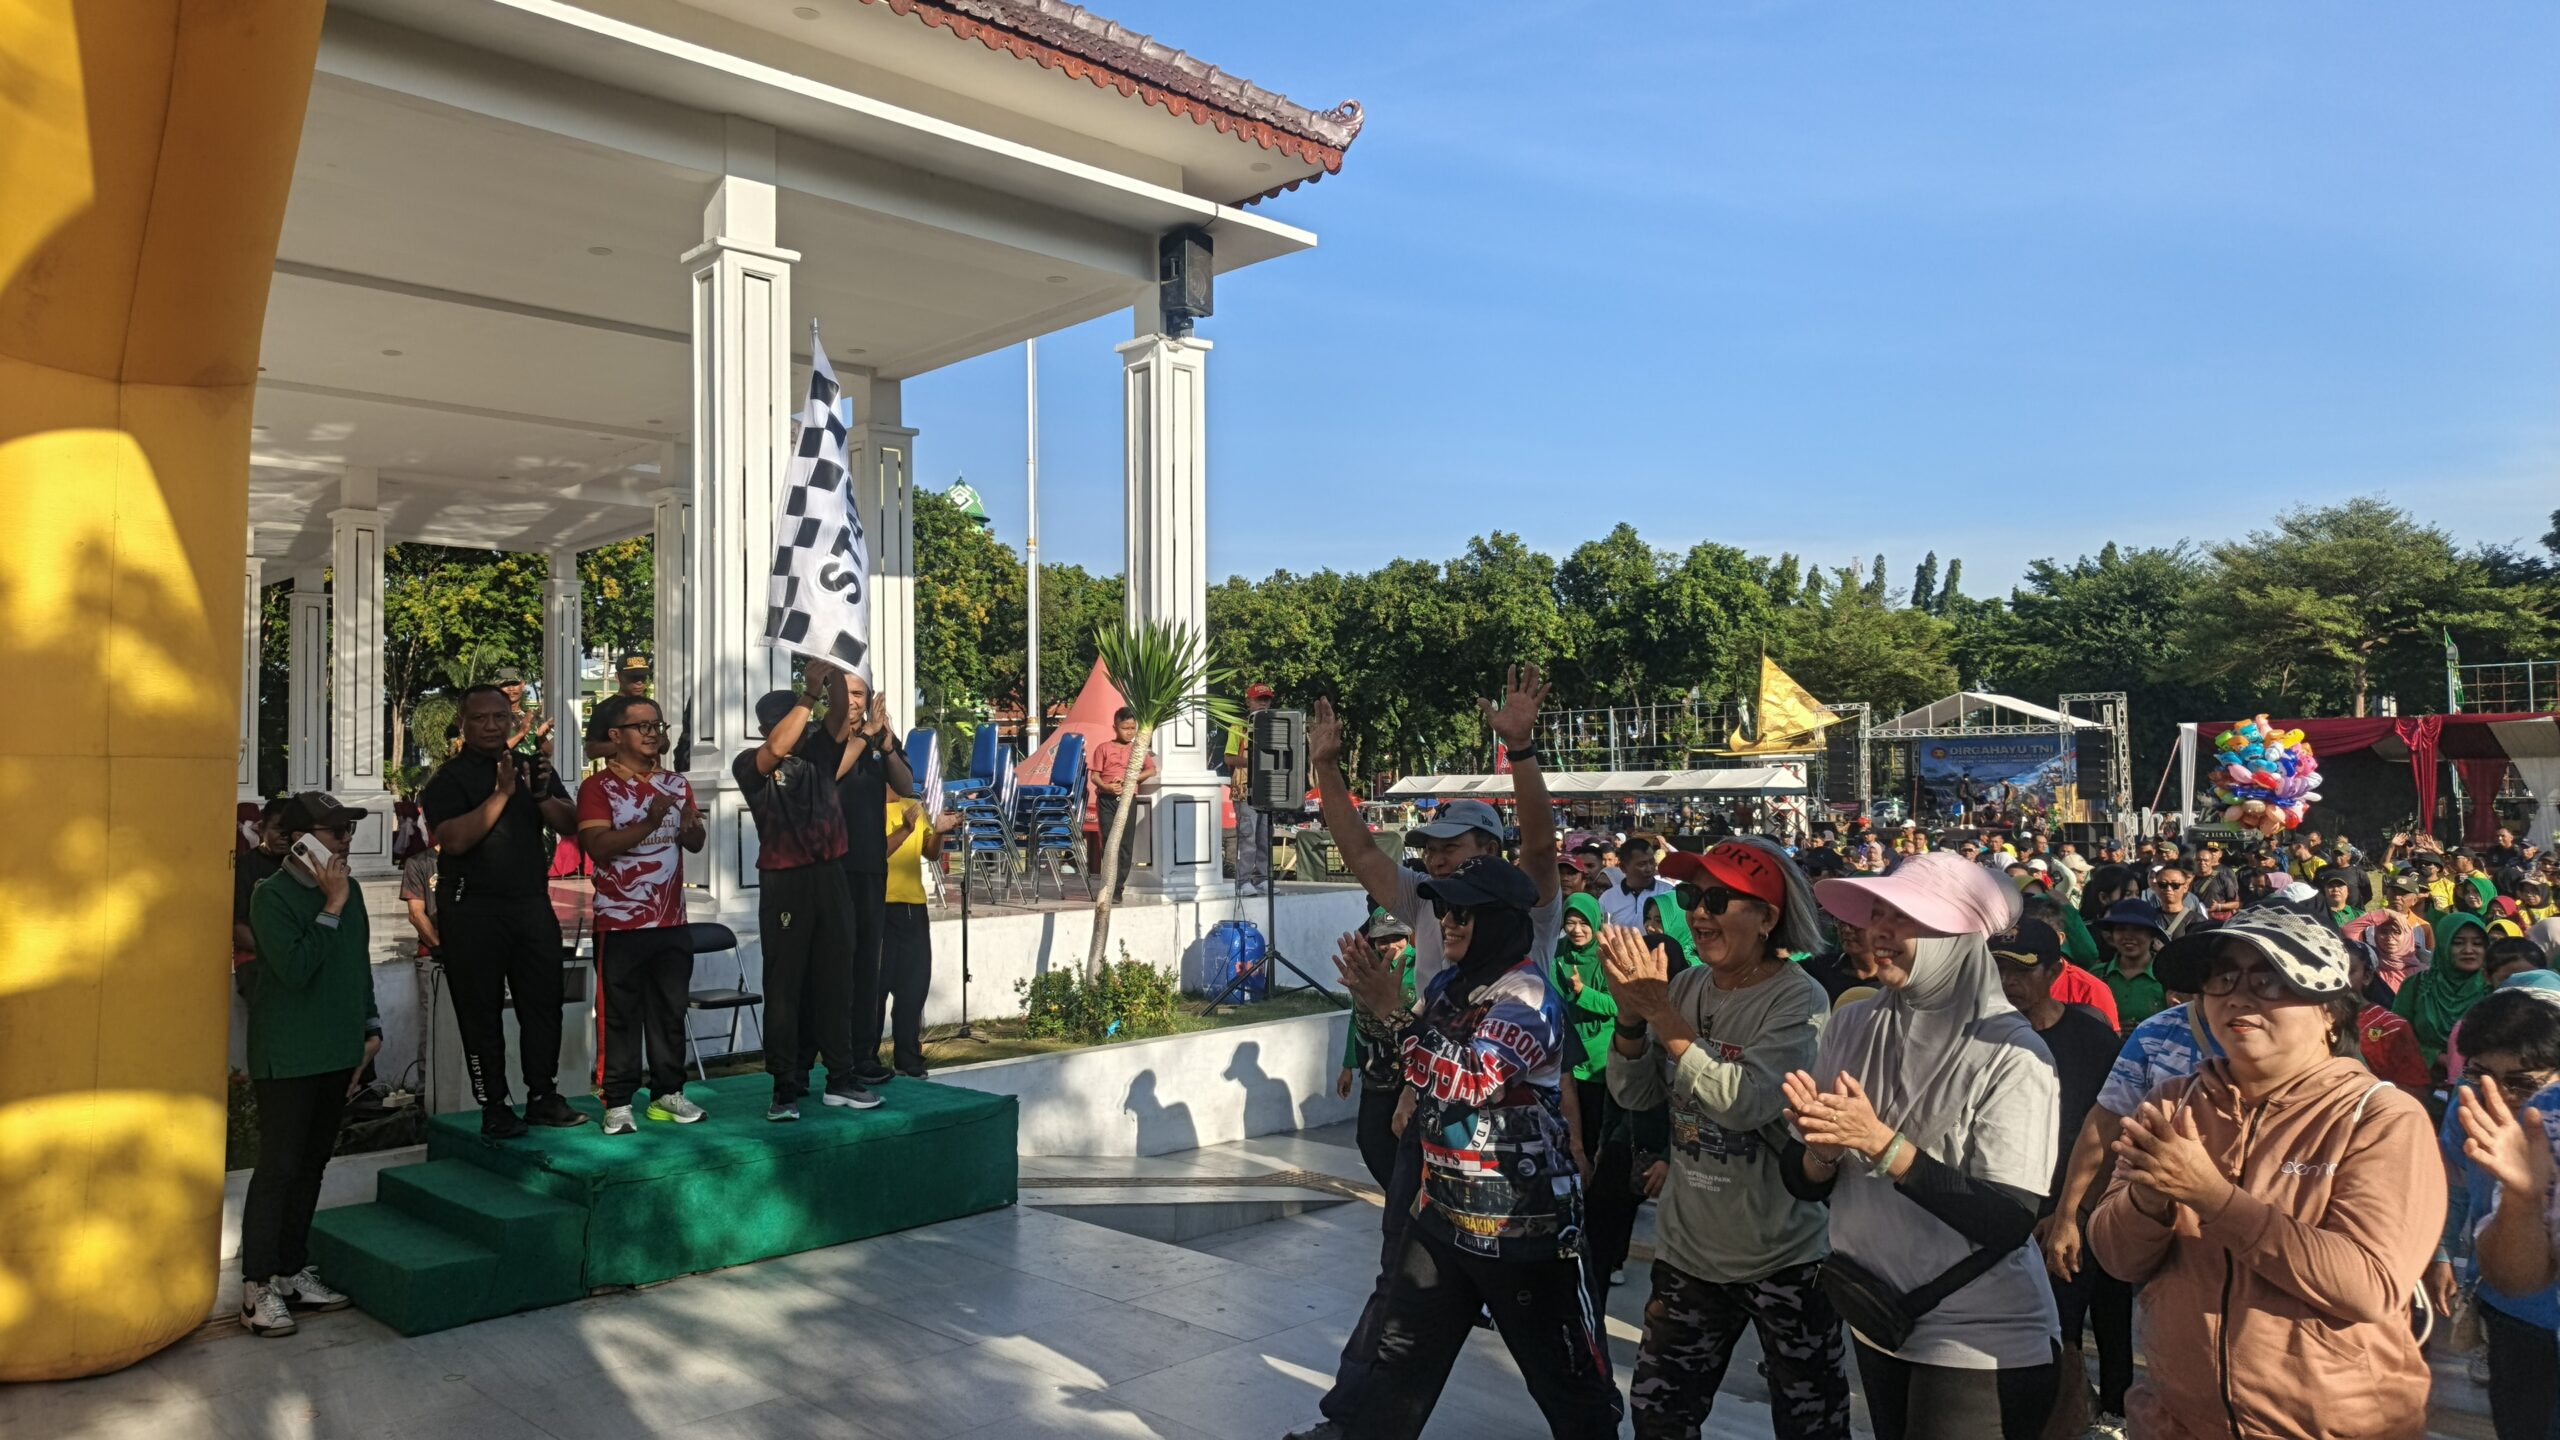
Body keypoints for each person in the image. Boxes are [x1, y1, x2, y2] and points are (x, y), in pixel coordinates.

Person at [1288, 667, 1565, 1440]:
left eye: (1453, 847)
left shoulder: (1526, 911)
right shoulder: (1425, 904)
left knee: (1545, 1335)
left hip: (1511, 1158)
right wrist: (1326, 768)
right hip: (1434, 1128)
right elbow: (1357, 849)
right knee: (1400, 1289)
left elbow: (1542, 845)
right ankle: (1352, 1423)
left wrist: (1521, 752)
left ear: (1492, 851)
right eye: (1430, 850)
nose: (1435, 861)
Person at [2088, 910, 2442, 1439]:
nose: (2237, 996)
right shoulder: (2172, 1103)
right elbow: (2118, 1259)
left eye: (2269, 979)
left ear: (2330, 1012)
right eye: (2222, 977)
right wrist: (2148, 1200)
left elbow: (2369, 1285)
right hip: (2177, 1421)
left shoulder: (2377, 1117)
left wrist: (2212, 1198)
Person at [1329, 855, 1622, 1439]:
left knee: (1571, 1391)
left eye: (1465, 912)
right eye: (1444, 909)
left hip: (1526, 1233)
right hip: (1443, 1217)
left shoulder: (1528, 998)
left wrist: (1392, 1014)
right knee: (1396, 1372)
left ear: (1503, 922)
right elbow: (1407, 1059)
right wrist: (1371, 1004)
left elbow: (1472, 1078)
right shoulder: (1447, 985)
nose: (1448, 922)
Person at [1780, 852, 2061, 1440]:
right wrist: (1822, 1149)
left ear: (1959, 938)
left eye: (1904, 916)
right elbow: (1803, 1182)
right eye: (1877, 914)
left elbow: (2009, 1219)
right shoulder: (1852, 1023)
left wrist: (1883, 1145)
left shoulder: (2013, 1053)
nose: (1878, 931)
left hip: (1979, 1335)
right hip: (1878, 1314)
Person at [1601, 838, 1849, 1440]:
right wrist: (1631, 1016)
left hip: (1783, 1258)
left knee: (1812, 1425)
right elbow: (1634, 1094)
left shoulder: (1799, 999)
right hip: (1689, 1254)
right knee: (1659, 1418)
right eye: (1692, 896)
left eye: (1718, 901)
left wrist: (1661, 1016)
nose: (1698, 914)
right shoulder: (1685, 987)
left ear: (1767, 918)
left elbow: (1745, 1103)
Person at [239, 791, 380, 1336]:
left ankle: (291, 1270)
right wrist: (331, 906)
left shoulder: (353, 892)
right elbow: (295, 969)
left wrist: (370, 1028)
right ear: (300, 841)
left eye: (349, 830)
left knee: (312, 1164)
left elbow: (356, 964)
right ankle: (256, 1288)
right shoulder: (270, 896)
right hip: (288, 1054)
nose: (346, 841)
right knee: (278, 1167)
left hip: (337, 1051)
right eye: (336, 832)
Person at [420, 684, 585, 1138]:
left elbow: (571, 825)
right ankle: (493, 1106)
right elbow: (454, 840)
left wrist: (540, 796)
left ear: (512, 720)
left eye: (500, 717)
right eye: (480, 718)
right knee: (481, 1012)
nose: (491, 726)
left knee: (543, 1003)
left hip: (529, 903)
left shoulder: (532, 767)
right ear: (463, 723)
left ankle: (543, 1095)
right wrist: (501, 794)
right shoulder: (447, 779)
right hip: (471, 907)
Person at [1988, 918, 2123, 1434]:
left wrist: (2074, 1214)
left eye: (2022, 971)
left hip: (2065, 1218)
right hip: (1993, 1215)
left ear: (2055, 972)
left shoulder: (2092, 1040)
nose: (2008, 982)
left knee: (2060, 1341)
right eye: (1998, 969)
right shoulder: (1976, 1034)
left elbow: (2111, 1133)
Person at [733, 667, 877, 1119]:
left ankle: (840, 1078)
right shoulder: (751, 764)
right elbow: (777, 747)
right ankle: (784, 1086)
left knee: (837, 981)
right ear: (766, 728)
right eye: (793, 721)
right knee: (785, 987)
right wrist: (810, 692)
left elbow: (837, 716)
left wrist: (834, 673)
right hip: (786, 883)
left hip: (830, 877)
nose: (804, 730)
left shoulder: (820, 756)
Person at [576, 694, 709, 1135]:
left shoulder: (676, 784)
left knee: (670, 1011)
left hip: (671, 920)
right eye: (642, 726)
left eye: (657, 725)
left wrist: (691, 830)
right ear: (616, 736)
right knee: (619, 1015)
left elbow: (693, 842)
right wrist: (650, 823)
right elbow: (598, 846)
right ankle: (617, 1100)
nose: (653, 734)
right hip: (620, 922)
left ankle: (668, 1093)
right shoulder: (598, 788)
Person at [2436, 985, 2560, 1439]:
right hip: (2511, 1307)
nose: (2499, 1096)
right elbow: (2456, 1187)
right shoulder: (2467, 1109)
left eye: (2522, 1083)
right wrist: (2442, 1253)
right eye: (2480, 1074)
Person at [799, 663, 916, 1091]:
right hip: (829, 867)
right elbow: (830, 774)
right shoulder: (818, 738)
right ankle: (812, 1057)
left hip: (869, 865)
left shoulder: (877, 740)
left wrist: (886, 745)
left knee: (868, 965)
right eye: (844, 692)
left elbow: (906, 785)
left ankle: (863, 1054)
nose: (852, 701)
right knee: (830, 966)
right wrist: (864, 736)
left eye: (859, 694)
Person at [878, 796, 959, 1077]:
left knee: (914, 986)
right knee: (876, 988)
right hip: (879, 907)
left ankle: (908, 1057)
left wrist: (938, 832)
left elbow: (931, 853)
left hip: (913, 907)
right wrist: (903, 830)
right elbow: (873, 853)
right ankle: (865, 1059)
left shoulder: (913, 806)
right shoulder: (866, 804)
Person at [1335, 910, 1416, 1190]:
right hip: (1375, 1074)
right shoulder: (1367, 969)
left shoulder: (1423, 966)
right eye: (1383, 940)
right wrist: (1348, 1066)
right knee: (1370, 1141)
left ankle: (1406, 1199)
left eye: (1397, 938)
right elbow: (1356, 1017)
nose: (1390, 946)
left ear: (1408, 937)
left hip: (1410, 1076)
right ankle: (1400, 1196)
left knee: (1408, 1141)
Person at [2400, 909, 2495, 1081]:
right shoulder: (2417, 985)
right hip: (2422, 1080)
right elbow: (2398, 1034)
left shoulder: (2494, 988)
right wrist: (2435, 1056)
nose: (2469, 950)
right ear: (2443, 945)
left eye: (2477, 943)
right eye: (2458, 943)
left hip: (2481, 1081)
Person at [1087, 707, 1158, 904]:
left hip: (1128, 799)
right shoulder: (1103, 748)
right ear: (1115, 727)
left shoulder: (1137, 749)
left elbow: (1151, 770)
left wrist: (1131, 779)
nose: (1129, 732)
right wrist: (1107, 787)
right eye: (1125, 728)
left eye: (1132, 728)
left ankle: (1118, 888)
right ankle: (1107, 885)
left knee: (1126, 844)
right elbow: (1094, 776)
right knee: (1109, 842)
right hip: (1106, 799)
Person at [233, 796, 294, 993]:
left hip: (295, 955)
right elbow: (238, 929)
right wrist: (276, 953)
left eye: (290, 830)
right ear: (261, 829)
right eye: (277, 829)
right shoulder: (244, 867)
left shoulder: (303, 866)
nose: (284, 836)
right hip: (255, 956)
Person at [2344, 873, 2433, 992]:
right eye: (2394, 892)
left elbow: (2427, 958)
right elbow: (2347, 932)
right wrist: (2384, 914)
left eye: (2403, 894)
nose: (2397, 897)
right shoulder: (2371, 922)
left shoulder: (2421, 927)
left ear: (2414, 900)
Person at [2091, 899, 2171, 1030]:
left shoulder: (2168, 976)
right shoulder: (2096, 976)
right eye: (2121, 929)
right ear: (2112, 935)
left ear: (2152, 935)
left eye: (2138, 930)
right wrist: (2114, 1029)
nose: (2128, 936)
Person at [1228, 681, 1275, 892]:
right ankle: (1243, 881)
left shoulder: (1274, 726)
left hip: (1266, 789)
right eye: (1259, 699)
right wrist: (1255, 761)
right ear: (1248, 702)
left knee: (1264, 836)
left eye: (1266, 700)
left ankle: (1262, 878)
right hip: (1244, 790)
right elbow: (1229, 758)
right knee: (1248, 836)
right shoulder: (1238, 727)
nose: (1264, 703)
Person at [582, 653, 657, 760]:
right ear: (618, 677)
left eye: (643, 677)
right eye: (633, 677)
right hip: (620, 770)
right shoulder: (605, 709)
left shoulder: (652, 706)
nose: (639, 682)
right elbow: (591, 750)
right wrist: (629, 743)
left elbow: (665, 746)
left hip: (652, 770)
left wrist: (657, 739)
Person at [1599, 834, 1675, 931]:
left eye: (1651, 862)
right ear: (1623, 867)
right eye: (1642, 864)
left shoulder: (1668, 893)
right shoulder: (1607, 899)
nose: (1649, 869)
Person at [394, 808, 439, 958]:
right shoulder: (418, 863)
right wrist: (439, 948)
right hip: (433, 949)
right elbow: (416, 914)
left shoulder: (477, 860)